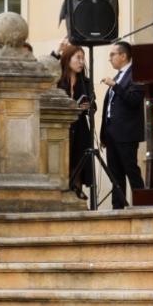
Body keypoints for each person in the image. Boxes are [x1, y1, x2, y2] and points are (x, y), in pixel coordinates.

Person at [99, 41, 145, 209]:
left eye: (112, 54)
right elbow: (109, 109)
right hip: (112, 134)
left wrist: (115, 86)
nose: (109, 59)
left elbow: (134, 100)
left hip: (127, 133)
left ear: (123, 56)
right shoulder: (118, 76)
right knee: (115, 174)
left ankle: (142, 205)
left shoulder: (136, 73)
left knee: (131, 170)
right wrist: (104, 134)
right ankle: (117, 208)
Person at [57, 44, 94, 199]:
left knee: (79, 164)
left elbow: (93, 105)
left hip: (80, 128)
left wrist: (88, 106)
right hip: (62, 128)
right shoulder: (58, 80)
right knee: (62, 164)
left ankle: (77, 195)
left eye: (83, 58)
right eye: (78, 58)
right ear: (67, 59)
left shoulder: (85, 82)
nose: (81, 62)